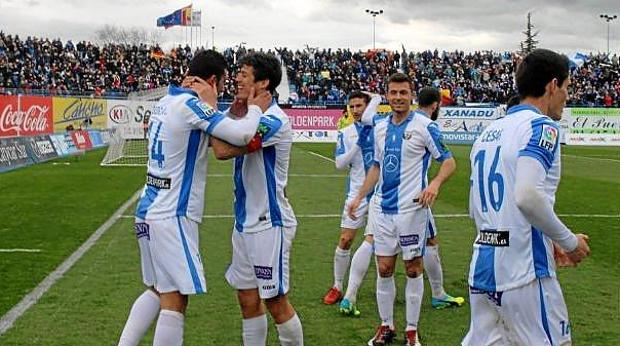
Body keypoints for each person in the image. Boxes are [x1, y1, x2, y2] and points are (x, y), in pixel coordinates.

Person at [117, 50, 271, 346]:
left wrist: (213, 107)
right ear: (213, 80)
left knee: (156, 288)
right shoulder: (190, 105)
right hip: (172, 213)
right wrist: (254, 109)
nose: (226, 87)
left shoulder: (165, 101)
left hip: (149, 208)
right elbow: (240, 136)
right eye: (224, 82)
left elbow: (211, 126)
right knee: (175, 299)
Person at [462, 48, 591, 346]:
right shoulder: (541, 126)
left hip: (483, 267)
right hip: (524, 273)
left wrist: (550, 238)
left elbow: (474, 207)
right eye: (567, 88)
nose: (567, 97)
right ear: (552, 85)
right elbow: (527, 196)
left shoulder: (487, 134)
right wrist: (569, 242)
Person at [349, 73, 456, 346]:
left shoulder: (425, 126)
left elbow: (448, 161)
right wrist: (359, 197)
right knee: (384, 268)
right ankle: (386, 326)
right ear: (387, 95)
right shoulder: (380, 128)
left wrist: (434, 184)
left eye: (403, 93)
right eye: (393, 93)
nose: (398, 97)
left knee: (412, 268)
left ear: (412, 95)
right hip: (383, 210)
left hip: (411, 211)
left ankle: (411, 330)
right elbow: (376, 166)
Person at [210, 52, 304, 346]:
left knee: (275, 302)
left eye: (244, 74)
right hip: (244, 222)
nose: (237, 78)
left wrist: (218, 113)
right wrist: (238, 109)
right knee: (247, 299)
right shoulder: (247, 116)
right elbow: (230, 131)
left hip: (269, 222)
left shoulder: (274, 120)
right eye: (237, 73)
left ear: (263, 83)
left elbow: (223, 150)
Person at [322, 91, 381, 317]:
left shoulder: (382, 128)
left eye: (359, 106)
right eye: (352, 106)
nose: (355, 110)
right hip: (356, 193)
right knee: (346, 240)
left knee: (379, 243)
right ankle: (337, 286)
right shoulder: (346, 133)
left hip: (379, 193)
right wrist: (359, 143)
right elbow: (339, 164)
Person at [411, 87, 466, 310]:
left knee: (377, 244)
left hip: (385, 197)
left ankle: (348, 293)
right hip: (416, 197)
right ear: (435, 105)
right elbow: (448, 161)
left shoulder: (402, 120)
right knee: (430, 241)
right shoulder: (427, 125)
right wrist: (435, 183)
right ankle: (438, 293)